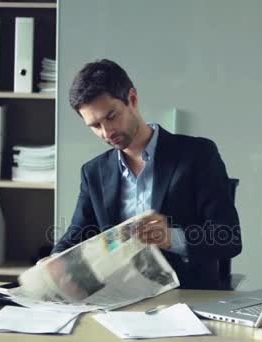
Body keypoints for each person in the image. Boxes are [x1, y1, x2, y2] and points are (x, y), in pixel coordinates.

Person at [50, 59, 242, 289]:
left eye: (111, 116)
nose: (106, 132)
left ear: (132, 99)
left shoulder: (197, 155)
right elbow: (78, 234)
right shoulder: (94, 172)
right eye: (95, 125)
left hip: (186, 297)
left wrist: (170, 237)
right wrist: (53, 262)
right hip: (119, 300)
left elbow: (229, 237)